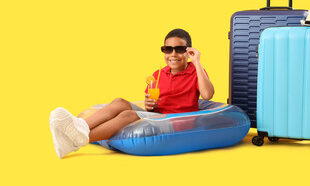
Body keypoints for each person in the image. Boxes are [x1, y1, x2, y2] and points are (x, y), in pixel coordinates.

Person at [49, 28, 214, 158]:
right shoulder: (158, 74)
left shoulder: (195, 72)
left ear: (188, 51)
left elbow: (207, 95)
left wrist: (197, 61)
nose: (173, 54)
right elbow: (151, 105)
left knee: (129, 115)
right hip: (157, 115)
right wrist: (149, 105)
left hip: (173, 120)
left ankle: (76, 140)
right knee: (120, 101)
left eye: (179, 49)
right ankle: (80, 127)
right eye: (167, 49)